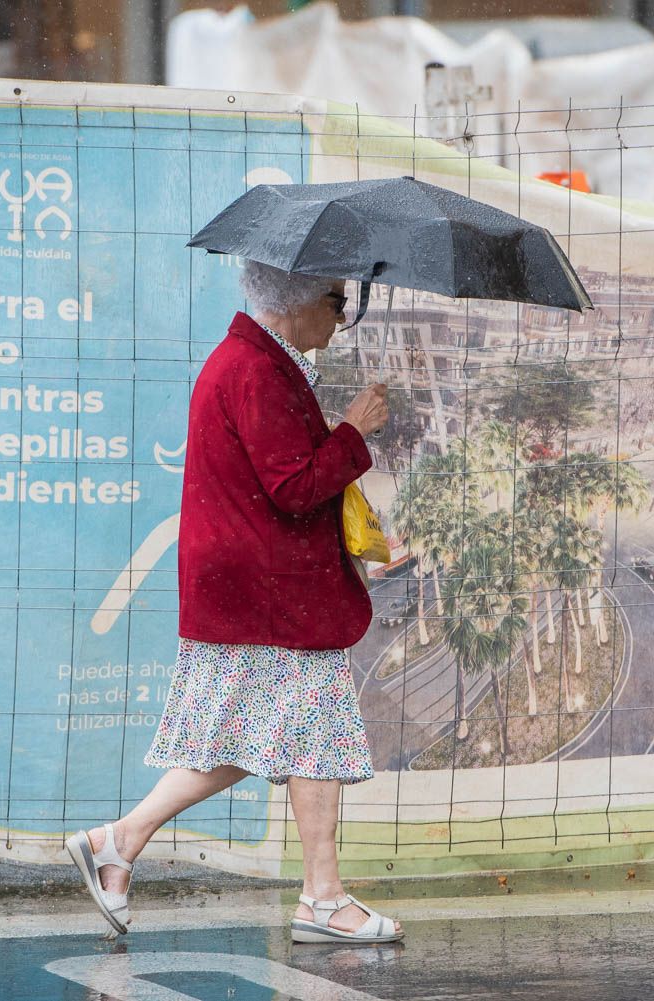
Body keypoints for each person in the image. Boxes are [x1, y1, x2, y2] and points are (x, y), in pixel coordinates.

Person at [67, 259, 401, 945]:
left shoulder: (255, 362)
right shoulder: (254, 371)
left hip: (259, 585)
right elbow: (294, 485)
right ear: (299, 299)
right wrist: (353, 431)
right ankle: (322, 898)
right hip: (271, 589)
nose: (342, 315)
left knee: (272, 732)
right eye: (338, 300)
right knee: (304, 732)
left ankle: (121, 841)